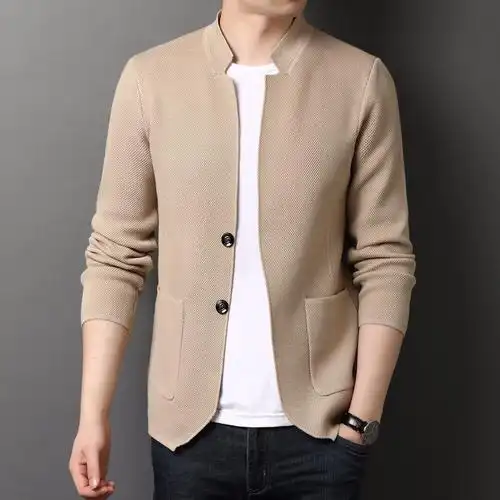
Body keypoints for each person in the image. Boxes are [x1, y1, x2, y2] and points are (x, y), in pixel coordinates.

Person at [68, 0, 417, 498]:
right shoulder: (150, 79)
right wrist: (92, 416)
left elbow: (386, 259)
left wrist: (361, 423)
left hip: (321, 436)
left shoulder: (359, 80)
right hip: (187, 438)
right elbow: (114, 255)